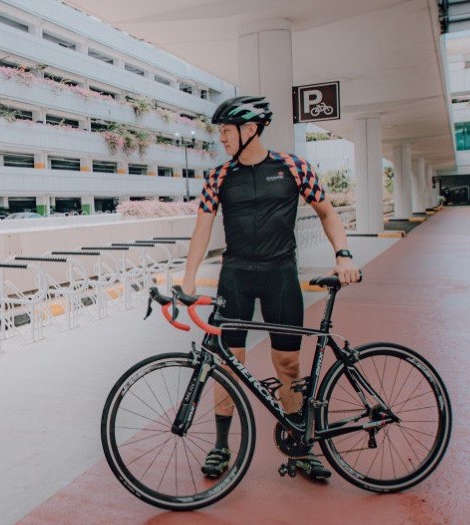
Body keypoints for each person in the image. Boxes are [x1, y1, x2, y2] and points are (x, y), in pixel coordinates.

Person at [180, 95, 360, 481]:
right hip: (236, 277)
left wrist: (343, 255)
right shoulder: (218, 176)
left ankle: (298, 446)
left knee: (289, 364)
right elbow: (202, 229)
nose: (222, 139)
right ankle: (221, 445)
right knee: (228, 361)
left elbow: (327, 212)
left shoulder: (292, 167)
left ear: (250, 129)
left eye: (226, 131)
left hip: (280, 276)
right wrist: (189, 279)